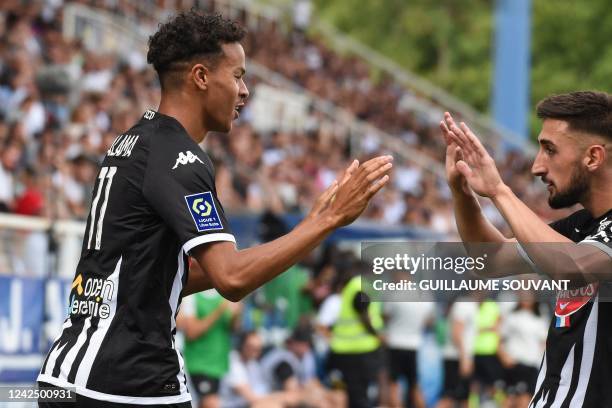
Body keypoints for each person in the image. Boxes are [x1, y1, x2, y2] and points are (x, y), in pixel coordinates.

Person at [37, 11, 393, 407]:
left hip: (72, 373)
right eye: (237, 75)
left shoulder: (134, 142)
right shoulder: (180, 158)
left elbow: (157, 276)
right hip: (123, 383)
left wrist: (308, 227)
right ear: (201, 77)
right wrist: (327, 221)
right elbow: (232, 279)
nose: (244, 91)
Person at [440, 90, 612, 407]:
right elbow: (491, 261)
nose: (536, 166)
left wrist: (499, 191)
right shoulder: (579, 227)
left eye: (550, 150)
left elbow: (571, 267)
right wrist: (462, 192)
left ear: (593, 157)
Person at [176, 273, 241, 408]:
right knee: (211, 404)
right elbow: (192, 332)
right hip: (199, 364)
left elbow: (233, 328)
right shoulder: (192, 297)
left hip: (219, 364)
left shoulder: (224, 293)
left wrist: (237, 314)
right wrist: (219, 310)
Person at [497, 292, 548, 408]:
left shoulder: (539, 319)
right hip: (515, 363)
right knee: (509, 399)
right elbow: (500, 339)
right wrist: (504, 356)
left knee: (526, 400)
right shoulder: (512, 316)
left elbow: (544, 342)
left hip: (531, 365)